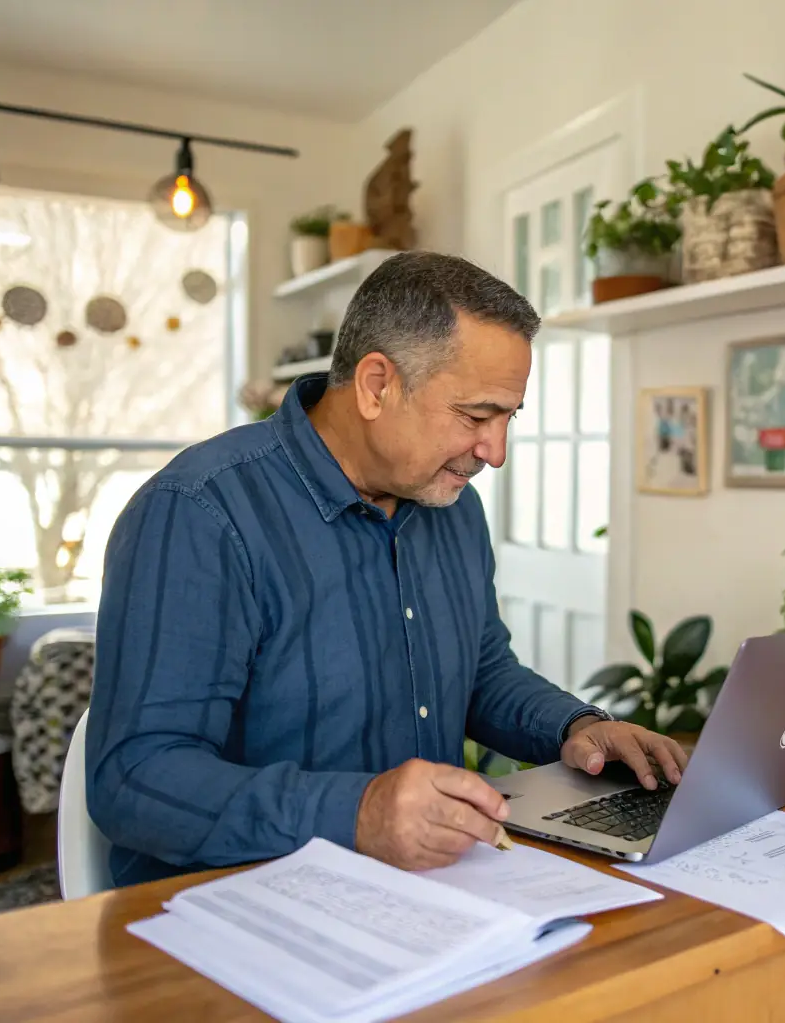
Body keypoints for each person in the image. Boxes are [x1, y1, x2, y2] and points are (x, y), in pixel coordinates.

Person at [87, 251, 687, 886]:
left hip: (429, 887)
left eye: (508, 418)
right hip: (235, 902)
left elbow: (481, 670)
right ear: (376, 386)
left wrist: (579, 727)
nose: (496, 451)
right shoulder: (201, 513)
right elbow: (135, 779)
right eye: (476, 415)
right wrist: (358, 813)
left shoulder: (453, 508)